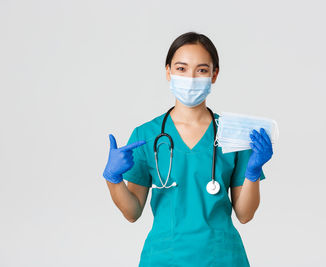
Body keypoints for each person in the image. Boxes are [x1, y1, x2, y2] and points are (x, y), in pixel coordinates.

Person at [102, 31, 274, 266]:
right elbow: (132, 212)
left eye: (201, 70)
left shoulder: (232, 134)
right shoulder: (146, 135)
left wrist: (252, 172)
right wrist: (113, 178)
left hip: (222, 257)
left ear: (214, 75)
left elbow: (245, 214)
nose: (191, 78)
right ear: (168, 71)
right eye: (181, 68)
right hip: (164, 257)